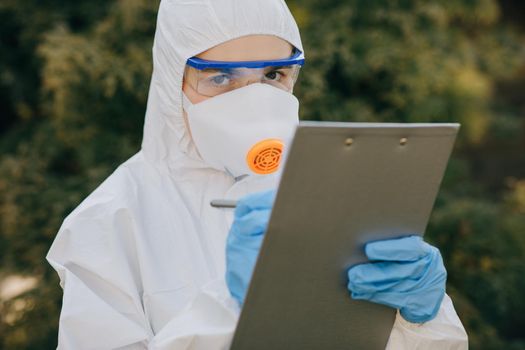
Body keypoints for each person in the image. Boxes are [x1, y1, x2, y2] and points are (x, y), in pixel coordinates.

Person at [46, 0, 469, 349]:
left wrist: (424, 322)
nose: (253, 101)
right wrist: (230, 308)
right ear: (172, 84)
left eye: (272, 75)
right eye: (220, 78)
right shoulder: (108, 221)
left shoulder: (334, 187)